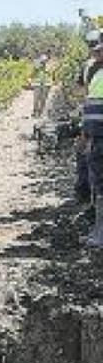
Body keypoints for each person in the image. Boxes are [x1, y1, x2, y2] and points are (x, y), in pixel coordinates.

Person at [83, 44, 103, 247]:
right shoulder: (97, 75)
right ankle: (98, 231)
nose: (96, 54)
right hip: (97, 137)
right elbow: (91, 108)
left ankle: (100, 234)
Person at [31, 53, 54, 118]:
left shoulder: (49, 66)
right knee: (36, 98)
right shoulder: (36, 66)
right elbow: (33, 73)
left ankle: (41, 112)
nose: (44, 62)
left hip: (46, 84)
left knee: (43, 99)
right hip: (37, 84)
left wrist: (52, 82)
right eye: (42, 61)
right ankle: (35, 111)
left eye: (45, 61)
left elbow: (52, 74)